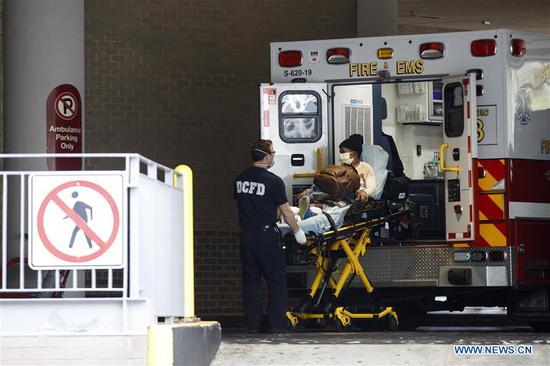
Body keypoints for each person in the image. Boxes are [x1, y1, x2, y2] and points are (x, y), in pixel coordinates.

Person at [234, 139, 307, 334]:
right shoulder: (273, 181)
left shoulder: (240, 179)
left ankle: (253, 325)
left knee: (251, 282)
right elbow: (286, 212)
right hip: (266, 236)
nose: (274, 155)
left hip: (246, 235)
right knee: (277, 282)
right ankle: (276, 324)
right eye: (273, 153)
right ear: (266, 156)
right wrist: (297, 231)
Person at [338, 134, 376, 201]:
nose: (341, 156)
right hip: (343, 198)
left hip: (358, 199)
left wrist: (364, 192)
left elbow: (372, 187)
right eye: (340, 153)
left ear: (354, 153)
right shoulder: (342, 168)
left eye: (343, 153)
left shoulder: (366, 168)